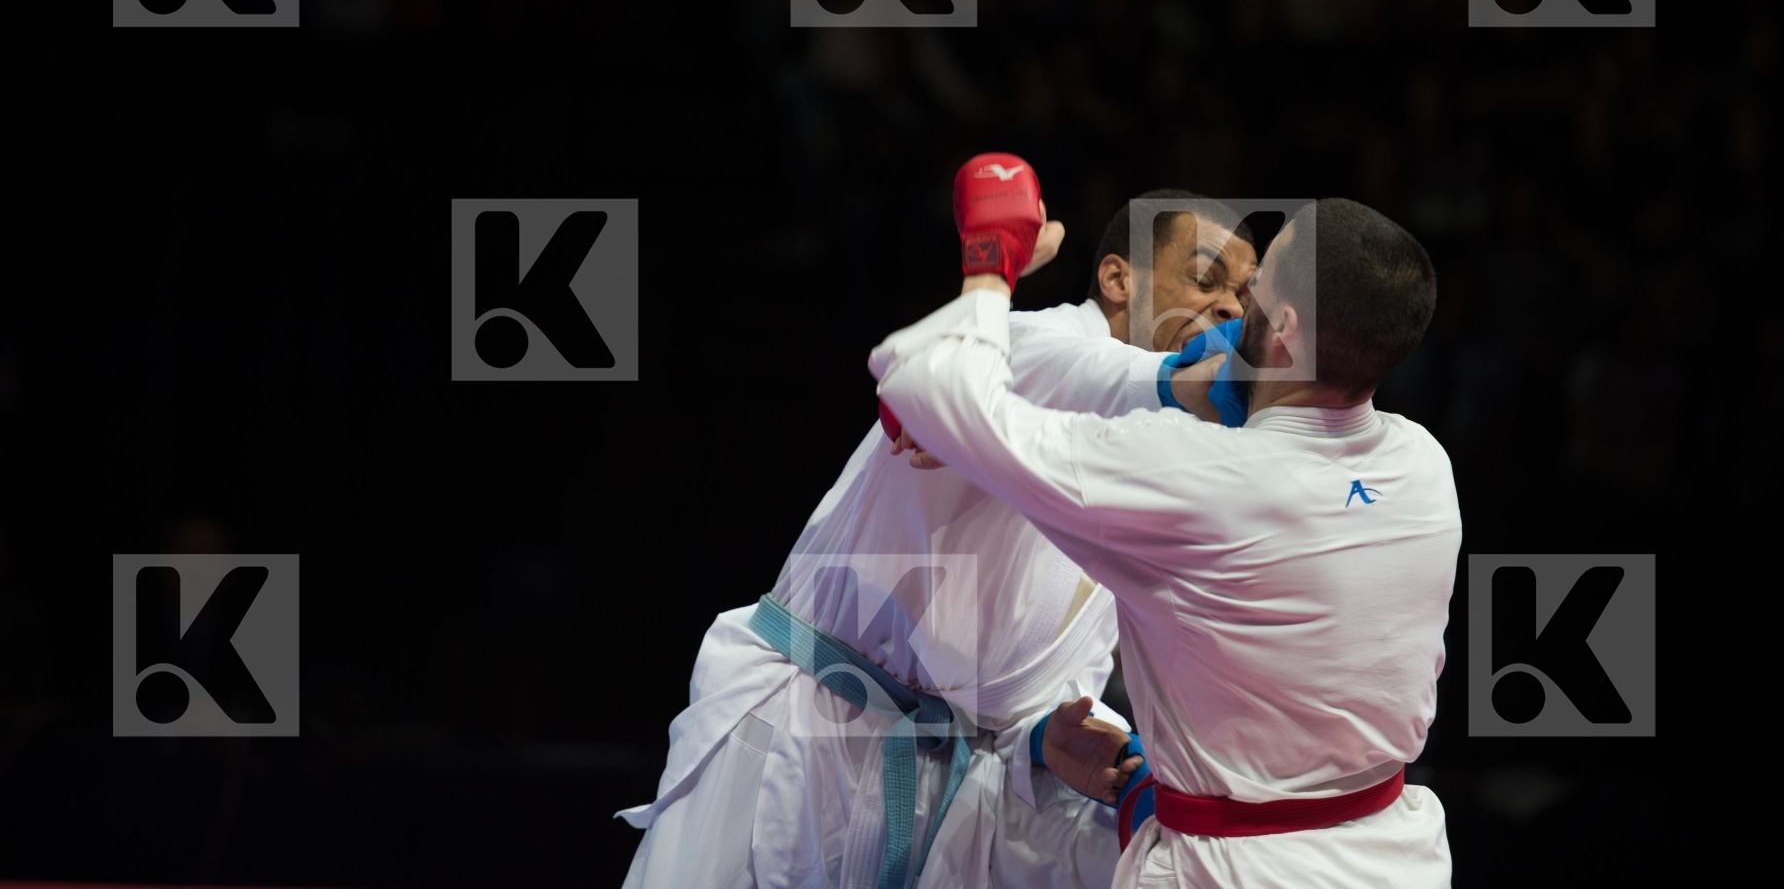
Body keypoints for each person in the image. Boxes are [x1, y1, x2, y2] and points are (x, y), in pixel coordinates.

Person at [618, 157, 1257, 889]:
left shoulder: (1160, 462)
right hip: (804, 733)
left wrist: (1047, 740)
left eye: (1247, 294)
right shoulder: (1024, 348)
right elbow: (1157, 382)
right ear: (1118, 280)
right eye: (1208, 282)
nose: (1234, 310)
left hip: (949, 791)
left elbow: (1043, 674)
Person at [871, 179, 1460, 889]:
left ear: (1286, 330)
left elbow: (925, 386)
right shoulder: (1425, 464)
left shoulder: (1195, 473)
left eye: (1257, 285)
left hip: (1234, 871)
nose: (1234, 307)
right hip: (1398, 856)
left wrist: (993, 270)